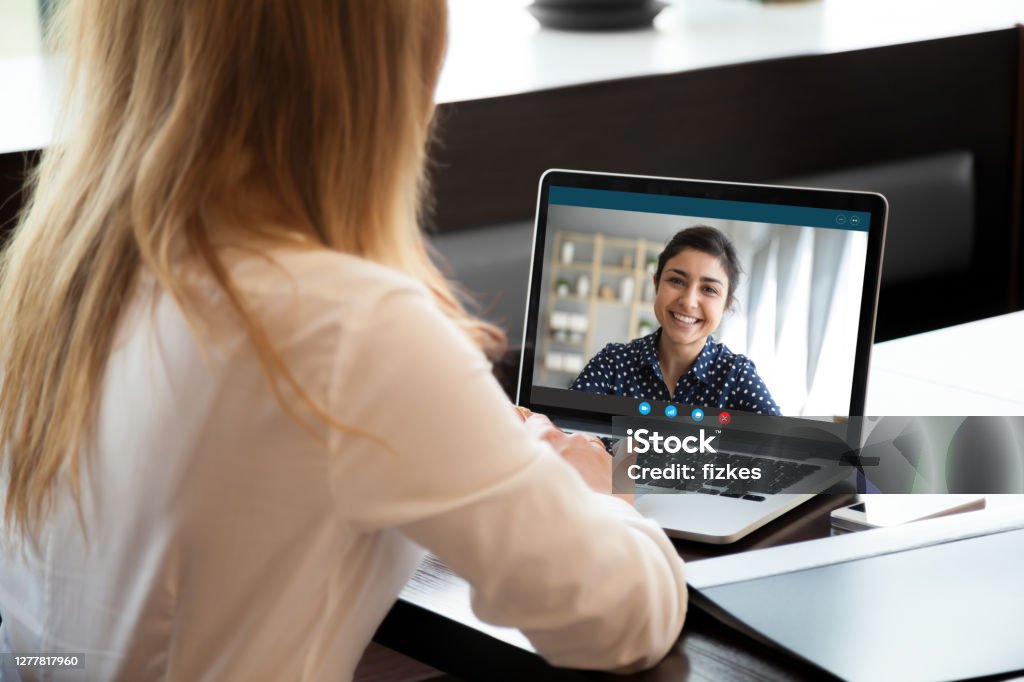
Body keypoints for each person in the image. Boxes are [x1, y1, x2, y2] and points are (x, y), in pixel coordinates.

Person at [0, 2, 686, 680]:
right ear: (380, 67)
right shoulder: (346, 326)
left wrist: (483, 453)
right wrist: (598, 495)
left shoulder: (53, 283)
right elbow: (617, 621)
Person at [571, 226, 781, 415]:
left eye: (709, 289)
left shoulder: (736, 376)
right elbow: (562, 436)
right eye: (676, 281)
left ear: (726, 306)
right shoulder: (613, 363)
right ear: (656, 284)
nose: (688, 302)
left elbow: (784, 449)